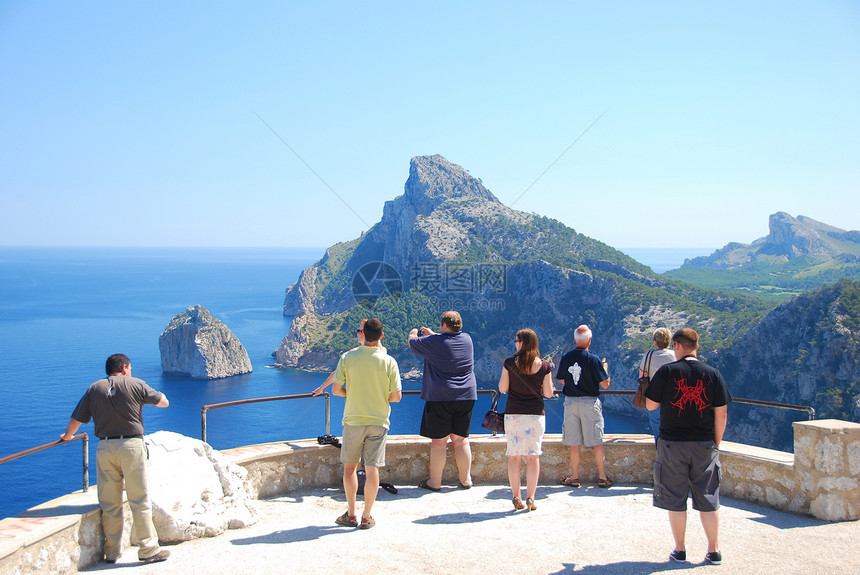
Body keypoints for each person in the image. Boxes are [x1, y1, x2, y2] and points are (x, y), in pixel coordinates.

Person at [59, 354, 170, 564]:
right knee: (139, 499)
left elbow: (78, 419)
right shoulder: (136, 384)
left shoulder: (95, 388)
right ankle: (148, 549)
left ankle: (111, 552)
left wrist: (67, 437)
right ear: (125, 368)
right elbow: (163, 403)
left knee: (109, 502)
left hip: (105, 447)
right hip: (131, 446)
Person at [645, 328, 731, 565]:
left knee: (675, 498)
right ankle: (713, 551)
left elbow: (651, 405)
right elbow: (721, 413)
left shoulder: (667, 372)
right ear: (697, 347)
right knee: (709, 498)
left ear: (677, 346)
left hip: (672, 444)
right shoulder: (713, 374)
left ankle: (680, 550)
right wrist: (715, 442)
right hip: (704, 444)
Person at [330, 318, 402, 529]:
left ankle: (351, 514)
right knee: (372, 470)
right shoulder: (389, 362)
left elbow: (335, 390)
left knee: (350, 468)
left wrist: (351, 394)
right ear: (381, 336)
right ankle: (367, 516)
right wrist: (379, 396)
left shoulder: (347, 358)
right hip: (379, 421)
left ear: (362, 334)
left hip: (353, 420)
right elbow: (397, 396)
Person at [408, 310, 477, 491]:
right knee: (461, 440)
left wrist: (413, 332)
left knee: (439, 442)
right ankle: (466, 480)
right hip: (466, 396)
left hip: (440, 396)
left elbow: (413, 344)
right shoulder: (467, 340)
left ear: (444, 325)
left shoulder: (433, 343)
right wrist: (435, 334)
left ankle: (435, 483)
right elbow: (447, 339)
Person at [497, 328, 554, 511]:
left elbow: (503, 388)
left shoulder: (509, 363)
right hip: (535, 416)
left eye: (516, 340)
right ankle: (531, 498)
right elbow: (548, 393)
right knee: (533, 457)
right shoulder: (545, 366)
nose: (514, 342)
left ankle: (516, 497)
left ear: (522, 343)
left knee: (514, 457)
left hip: (513, 414)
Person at [556, 325, 612, 488]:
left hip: (571, 403)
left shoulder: (566, 358)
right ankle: (602, 477)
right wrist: (605, 370)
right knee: (597, 441)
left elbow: (563, 380)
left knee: (574, 443)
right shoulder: (593, 359)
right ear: (589, 340)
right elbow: (605, 384)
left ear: (575, 339)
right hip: (589, 403)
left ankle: (574, 477)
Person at [312, 319, 387, 397]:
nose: (359, 334)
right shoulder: (353, 352)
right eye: (358, 331)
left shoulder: (380, 351)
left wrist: (377, 338)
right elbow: (337, 372)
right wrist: (321, 388)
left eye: (362, 331)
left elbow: (382, 355)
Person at [639, 327, 676, 440]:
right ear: (669, 341)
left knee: (656, 424)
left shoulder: (648, 356)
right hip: (672, 397)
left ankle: (660, 449)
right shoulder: (675, 355)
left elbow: (641, 377)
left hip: (653, 396)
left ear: (655, 341)